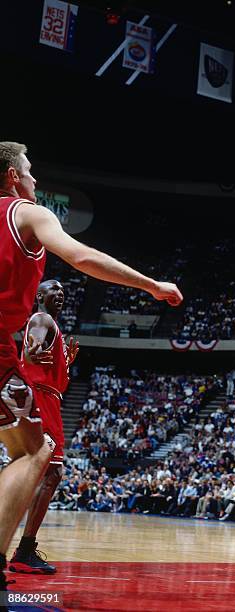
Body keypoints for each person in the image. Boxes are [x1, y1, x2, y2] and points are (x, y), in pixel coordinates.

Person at [0, 141, 182, 594]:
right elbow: (81, 257)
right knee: (34, 452)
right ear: (12, 178)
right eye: (29, 171)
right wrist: (151, 284)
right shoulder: (27, 213)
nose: (35, 179)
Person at [8, 280, 79, 574]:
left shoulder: (52, 328)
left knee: (41, 474)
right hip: (42, 397)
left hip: (46, 395)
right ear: (39, 295)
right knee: (51, 473)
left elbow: (44, 362)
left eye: (63, 291)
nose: (60, 294)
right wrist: (30, 352)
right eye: (53, 290)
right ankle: (24, 550)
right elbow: (33, 345)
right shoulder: (42, 319)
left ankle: (22, 549)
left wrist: (64, 363)